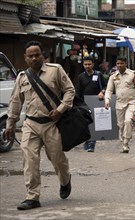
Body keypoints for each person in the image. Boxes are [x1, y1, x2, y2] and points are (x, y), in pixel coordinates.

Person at [5, 41, 75, 210]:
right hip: (30, 125)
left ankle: (65, 180)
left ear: (43, 55)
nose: (34, 58)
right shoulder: (22, 77)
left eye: (37, 55)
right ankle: (32, 197)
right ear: (25, 58)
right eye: (30, 56)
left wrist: (60, 109)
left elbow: (70, 90)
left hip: (52, 124)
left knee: (57, 159)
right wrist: (10, 123)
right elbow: (15, 102)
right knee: (30, 160)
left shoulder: (55, 70)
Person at [104, 56, 135, 153]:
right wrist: (107, 100)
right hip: (119, 103)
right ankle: (123, 142)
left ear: (125, 64)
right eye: (118, 63)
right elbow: (109, 90)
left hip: (131, 102)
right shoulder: (113, 76)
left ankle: (126, 143)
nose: (119, 65)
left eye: (121, 63)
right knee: (121, 125)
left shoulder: (132, 74)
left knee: (128, 121)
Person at [76, 56, 107, 152]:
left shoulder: (99, 75)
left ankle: (91, 144)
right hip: (84, 104)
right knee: (86, 123)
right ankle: (87, 141)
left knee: (94, 124)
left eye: (89, 64)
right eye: (85, 64)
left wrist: (102, 92)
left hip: (96, 103)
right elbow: (78, 91)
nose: (87, 66)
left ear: (93, 64)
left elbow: (106, 86)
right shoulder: (81, 76)